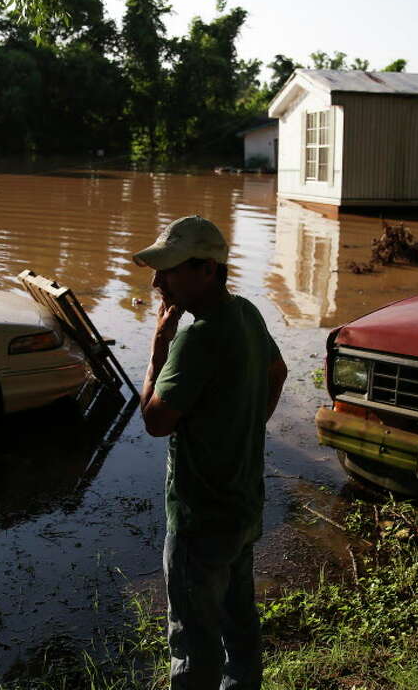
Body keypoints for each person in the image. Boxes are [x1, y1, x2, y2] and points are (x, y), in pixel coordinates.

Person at [134, 215, 288, 690]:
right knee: (239, 622)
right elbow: (278, 371)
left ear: (207, 270)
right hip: (242, 504)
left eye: (170, 269)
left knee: (194, 640)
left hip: (199, 518)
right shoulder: (245, 312)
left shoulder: (194, 337)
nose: (157, 281)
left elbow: (156, 422)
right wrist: (244, 428)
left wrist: (158, 347)